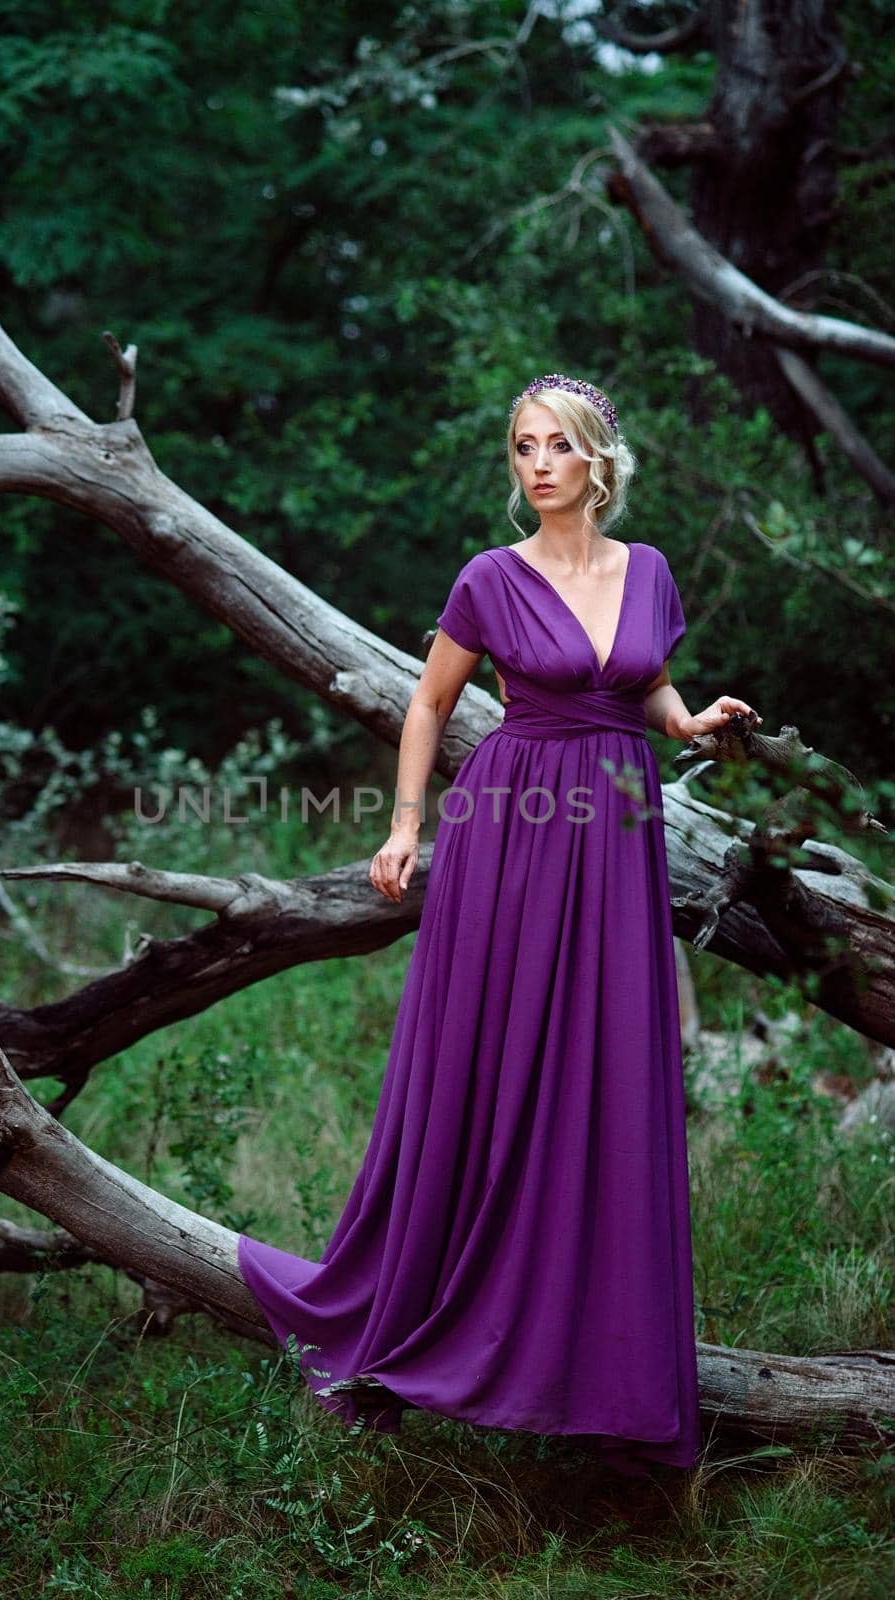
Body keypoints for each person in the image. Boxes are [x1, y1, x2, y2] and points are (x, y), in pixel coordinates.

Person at [236, 372, 762, 1478]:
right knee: (496, 1070)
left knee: (609, 1072)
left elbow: (650, 700)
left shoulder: (649, 573)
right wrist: (404, 827)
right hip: (515, 837)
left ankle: (595, 1361)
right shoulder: (490, 578)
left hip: (616, 841)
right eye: (522, 446)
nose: (536, 464)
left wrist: (698, 721)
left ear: (596, 462)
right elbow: (428, 703)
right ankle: (434, 1321)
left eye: (556, 446)